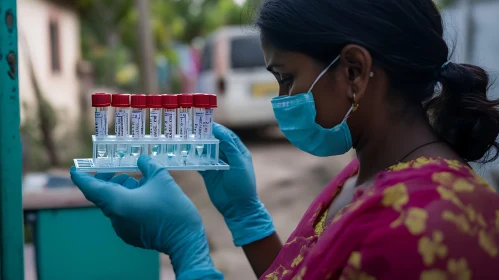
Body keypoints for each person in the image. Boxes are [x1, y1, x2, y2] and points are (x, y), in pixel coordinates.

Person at [70, 0, 499, 279]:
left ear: (353, 70)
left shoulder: (420, 228)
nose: (281, 100)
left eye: (287, 79)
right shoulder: (363, 176)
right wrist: (247, 218)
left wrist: (188, 252)